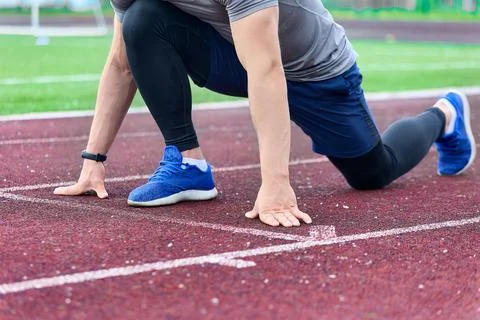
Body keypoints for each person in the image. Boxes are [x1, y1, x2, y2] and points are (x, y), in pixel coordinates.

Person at [54, 0, 476, 228]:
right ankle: (186, 163)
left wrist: (276, 185)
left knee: (373, 172)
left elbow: (269, 67)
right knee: (144, 19)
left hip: (317, 70)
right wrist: (93, 162)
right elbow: (121, 62)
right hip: (237, 55)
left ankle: (445, 114)